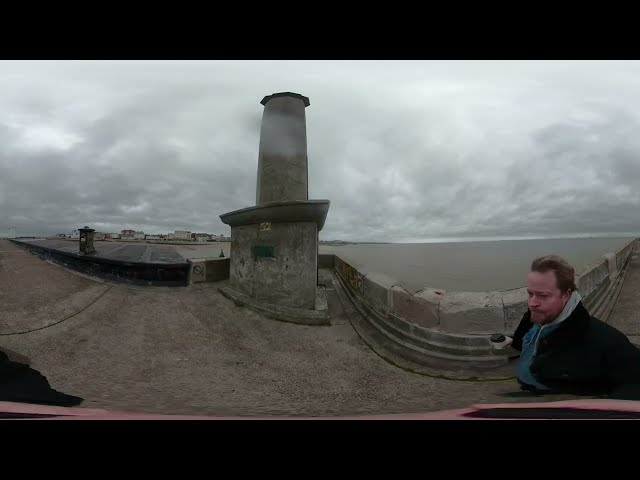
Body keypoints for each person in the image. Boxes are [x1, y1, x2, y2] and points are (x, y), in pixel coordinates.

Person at [507, 254, 640, 400]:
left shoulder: (610, 344)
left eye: (543, 296)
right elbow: (526, 344)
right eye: (530, 294)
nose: (532, 303)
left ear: (566, 295)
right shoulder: (535, 317)